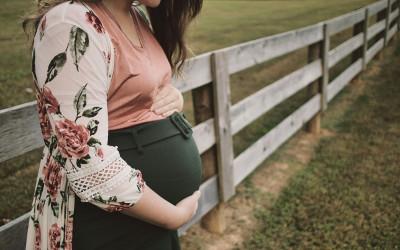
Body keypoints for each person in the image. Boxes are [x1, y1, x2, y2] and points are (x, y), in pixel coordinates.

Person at [22, 0, 203, 249]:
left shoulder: (135, 15)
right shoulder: (70, 23)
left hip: (146, 225)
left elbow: (132, 92)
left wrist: (173, 97)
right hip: (107, 228)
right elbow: (86, 161)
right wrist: (173, 217)